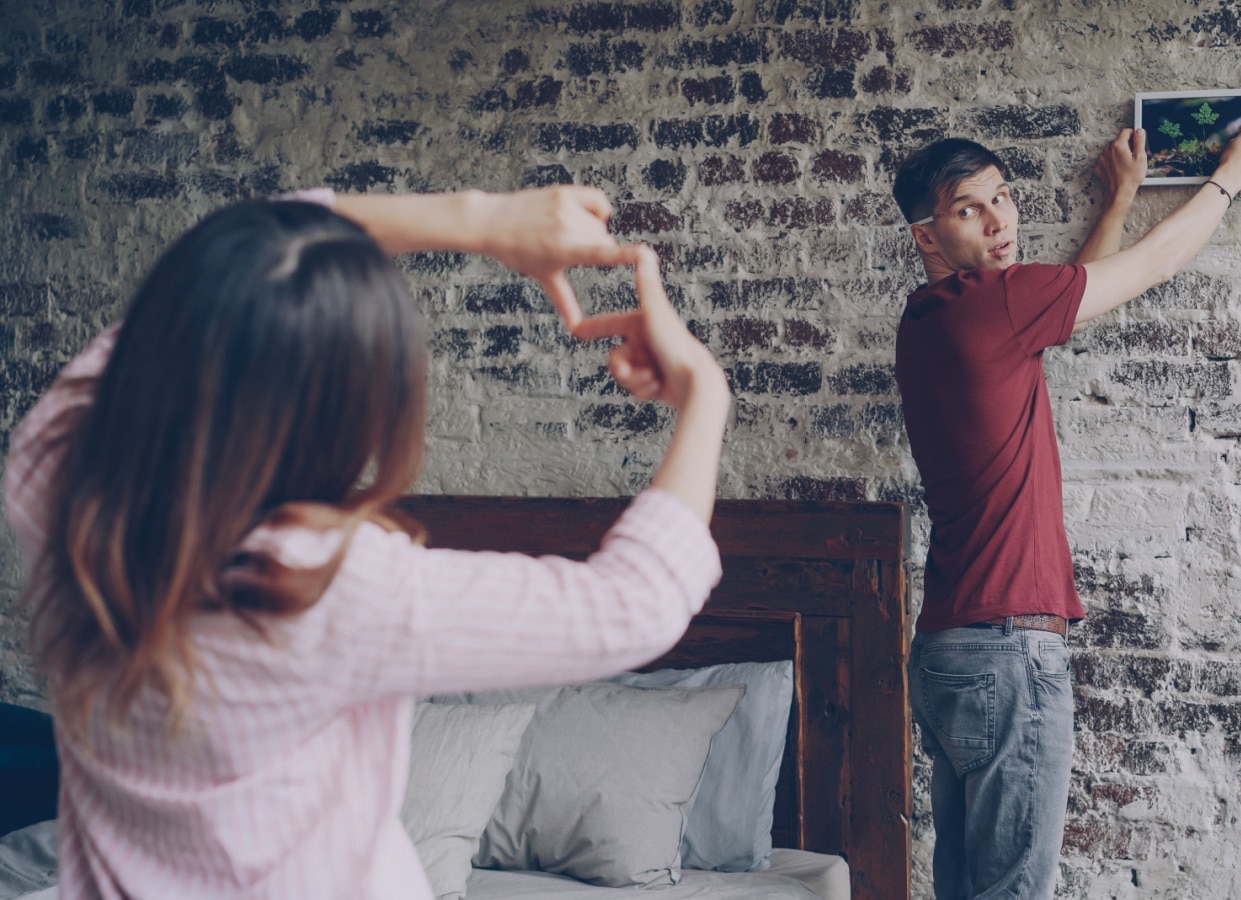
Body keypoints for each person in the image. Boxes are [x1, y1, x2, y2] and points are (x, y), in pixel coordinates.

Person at [1, 184, 731, 898]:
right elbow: (636, 602)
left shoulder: (53, 477)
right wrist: (704, 391)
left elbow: (207, 279)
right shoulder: (322, 589)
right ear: (352, 416)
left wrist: (481, 218)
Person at [894, 124, 1241, 898]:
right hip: (1007, 656)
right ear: (926, 235)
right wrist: (1230, 178)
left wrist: (1122, 196)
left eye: (1002, 197)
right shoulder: (995, 306)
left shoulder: (935, 317)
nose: (1001, 220)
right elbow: (1157, 262)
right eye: (970, 211)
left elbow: (1065, 298)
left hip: (949, 654)